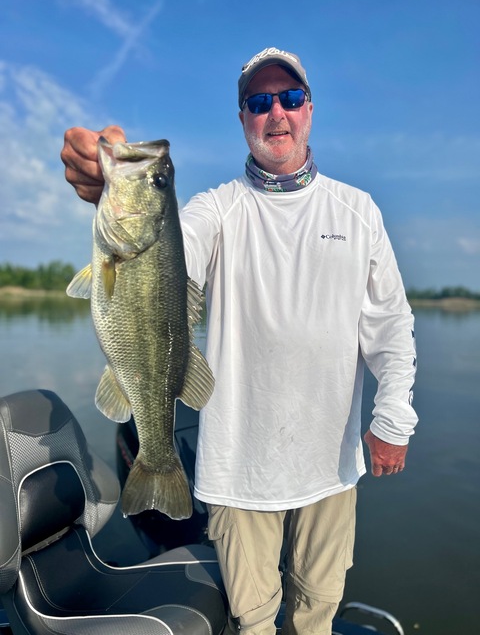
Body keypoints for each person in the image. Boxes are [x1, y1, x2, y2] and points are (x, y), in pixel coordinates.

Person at [61, 47, 418, 635]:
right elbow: (168, 253)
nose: (276, 112)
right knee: (251, 622)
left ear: (309, 109)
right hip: (239, 471)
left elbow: (391, 325)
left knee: (318, 614)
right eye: (259, 102)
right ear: (243, 119)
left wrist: (393, 416)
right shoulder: (214, 209)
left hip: (332, 467)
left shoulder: (358, 211)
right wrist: (101, 186)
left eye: (290, 98)